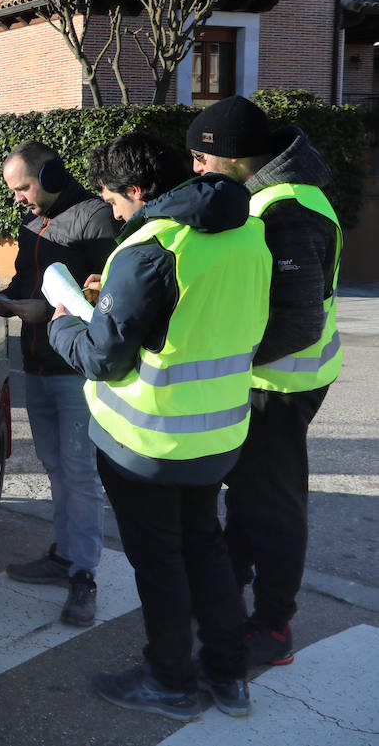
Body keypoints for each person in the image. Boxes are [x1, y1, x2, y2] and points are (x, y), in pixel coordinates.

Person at [48, 131, 271, 720]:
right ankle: (228, 675)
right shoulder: (249, 232)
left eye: (115, 199)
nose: (114, 211)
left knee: (161, 562)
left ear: (139, 189)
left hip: (144, 443)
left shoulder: (150, 247)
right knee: (207, 548)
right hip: (218, 436)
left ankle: (169, 681)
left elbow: (102, 357)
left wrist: (63, 325)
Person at [186, 96, 343, 667]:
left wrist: (233, 358)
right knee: (251, 495)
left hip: (280, 385)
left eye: (202, 160)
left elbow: (299, 322)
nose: (197, 171)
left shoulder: (287, 210)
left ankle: (274, 628)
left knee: (275, 506)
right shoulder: (269, 197)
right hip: (272, 380)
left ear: (233, 156)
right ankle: (229, 588)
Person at [0, 141, 119, 627]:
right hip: (37, 364)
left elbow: (97, 298)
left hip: (75, 371)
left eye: (23, 187)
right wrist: (3, 299)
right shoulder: (32, 223)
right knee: (56, 466)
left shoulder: (94, 218)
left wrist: (26, 310)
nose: (18, 198)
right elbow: (25, 281)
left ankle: (84, 574)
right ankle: (63, 555)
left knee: (80, 473)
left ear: (54, 174)